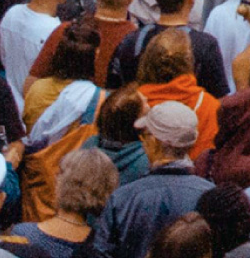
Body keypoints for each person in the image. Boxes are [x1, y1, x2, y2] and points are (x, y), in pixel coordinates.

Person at [86, 104, 216, 258]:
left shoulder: (123, 199)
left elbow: (101, 252)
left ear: (154, 141)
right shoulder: (211, 195)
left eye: (144, 136)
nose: (142, 142)